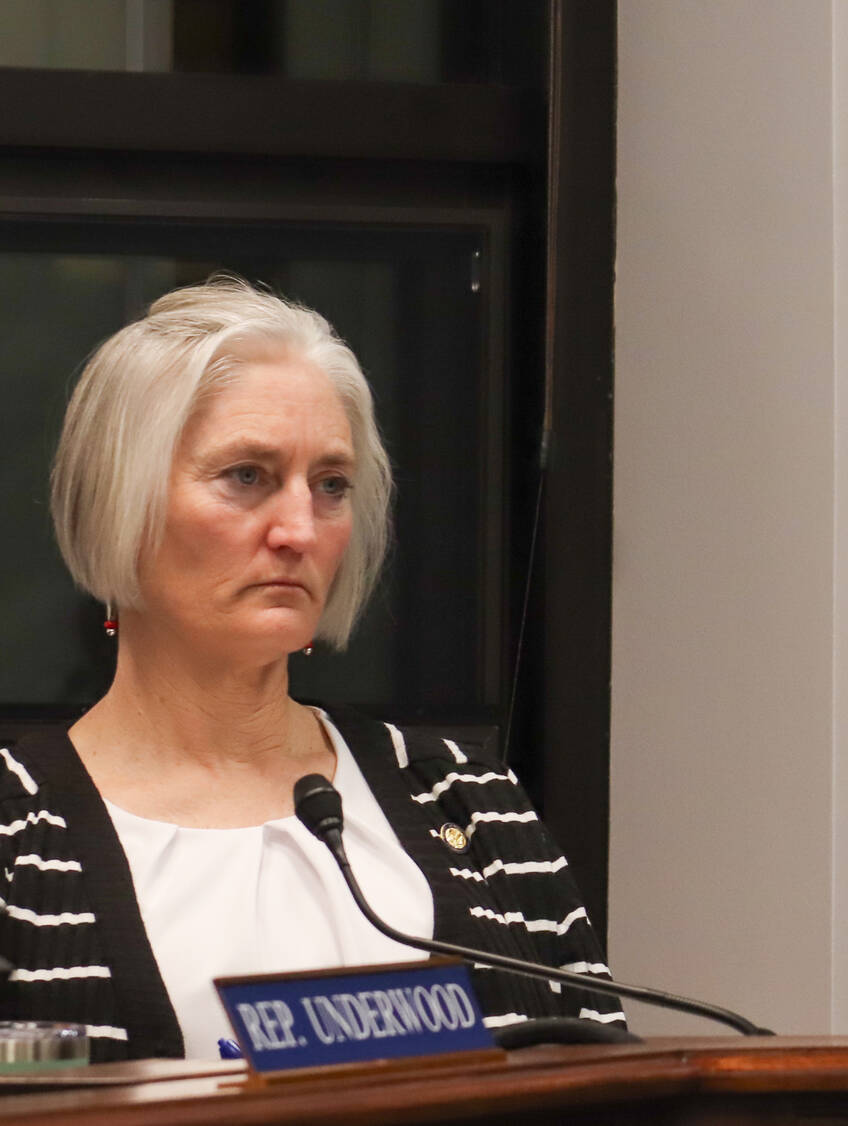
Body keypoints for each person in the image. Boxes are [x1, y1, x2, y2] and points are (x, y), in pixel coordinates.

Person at [3, 277, 620, 1059]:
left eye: (331, 485)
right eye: (248, 477)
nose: (299, 528)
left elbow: (605, 1082)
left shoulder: (465, 800)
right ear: (119, 499)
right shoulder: (15, 835)